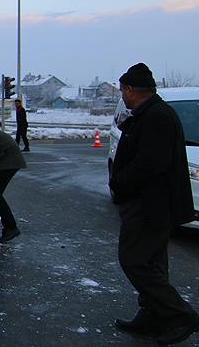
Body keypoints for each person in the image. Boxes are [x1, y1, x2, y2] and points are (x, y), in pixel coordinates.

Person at [109, 63, 199, 344]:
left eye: (123, 90)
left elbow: (150, 162)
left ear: (132, 90)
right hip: (149, 203)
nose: (122, 95)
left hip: (149, 204)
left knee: (135, 261)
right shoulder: (149, 113)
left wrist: (121, 182)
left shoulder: (156, 116)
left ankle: (180, 315)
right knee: (152, 261)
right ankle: (152, 315)